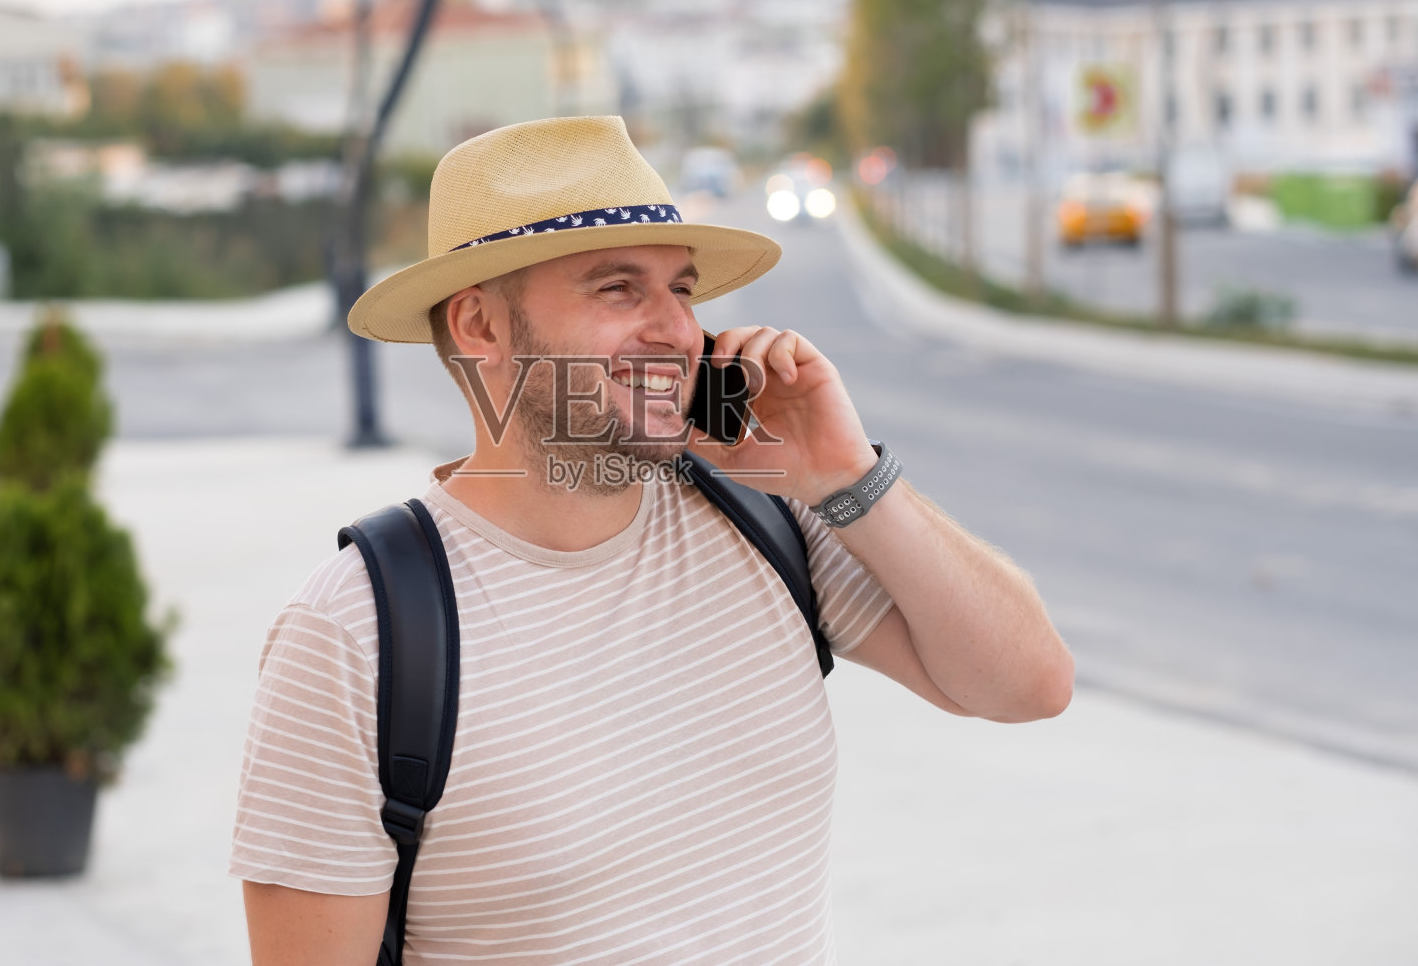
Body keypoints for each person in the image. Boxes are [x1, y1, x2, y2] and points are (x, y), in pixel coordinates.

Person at [230, 116, 1073, 965]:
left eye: (683, 289)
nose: (677, 330)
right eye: (618, 289)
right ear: (482, 326)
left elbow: (1028, 684)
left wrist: (844, 474)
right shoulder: (357, 634)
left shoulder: (765, 517)